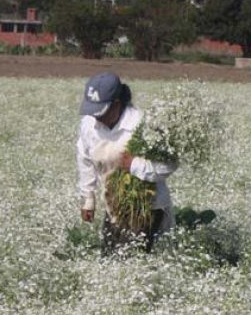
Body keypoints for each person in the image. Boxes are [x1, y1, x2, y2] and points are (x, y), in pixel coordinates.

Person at [75, 72, 176, 253]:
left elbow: (168, 164)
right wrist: (88, 198)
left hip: (145, 208)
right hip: (113, 204)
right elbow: (84, 157)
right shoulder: (89, 124)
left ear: (116, 105)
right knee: (109, 259)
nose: (96, 118)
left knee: (130, 260)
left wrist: (134, 165)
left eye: (101, 112)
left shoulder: (142, 124)